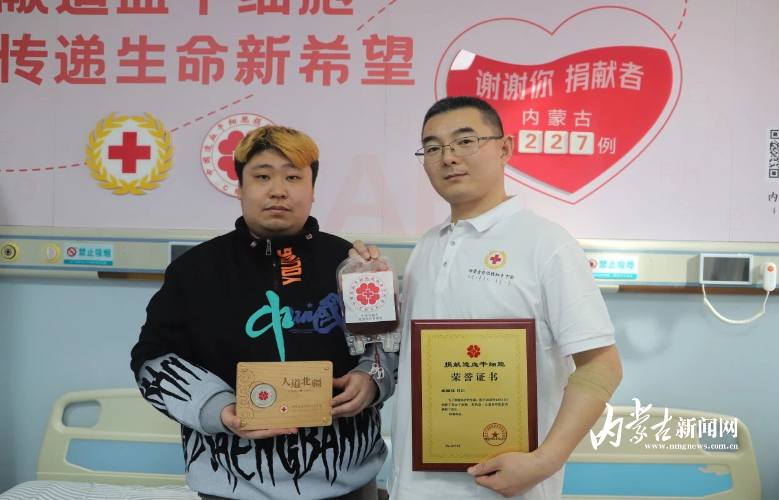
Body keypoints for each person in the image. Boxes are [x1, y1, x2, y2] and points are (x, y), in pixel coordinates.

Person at [352, 96, 623, 499]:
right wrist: (366, 282)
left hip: (505, 489)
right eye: (432, 148)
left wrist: (544, 462)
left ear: (505, 148)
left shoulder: (547, 244)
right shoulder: (428, 245)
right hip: (412, 486)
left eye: (465, 141)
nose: (448, 157)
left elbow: (601, 366)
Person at [131, 125, 396, 500]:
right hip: (229, 487)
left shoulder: (353, 265)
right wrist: (218, 409)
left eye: (293, 177)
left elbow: (386, 347)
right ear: (239, 187)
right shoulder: (194, 271)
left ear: (313, 190)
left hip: (349, 485)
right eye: (262, 176)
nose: (278, 190)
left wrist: (370, 379)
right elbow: (153, 359)